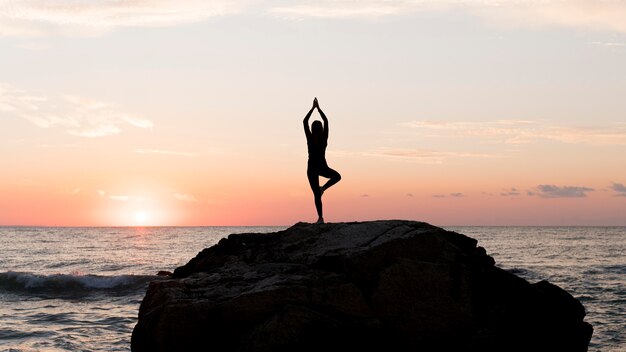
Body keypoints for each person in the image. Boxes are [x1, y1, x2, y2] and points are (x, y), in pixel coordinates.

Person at [303, 97, 341, 224]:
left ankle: (320, 215)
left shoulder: (311, 138)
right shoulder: (321, 139)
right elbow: (326, 121)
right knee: (319, 192)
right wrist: (318, 109)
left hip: (317, 167)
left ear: (313, 129)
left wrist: (313, 109)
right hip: (316, 168)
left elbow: (305, 121)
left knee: (318, 193)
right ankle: (320, 217)